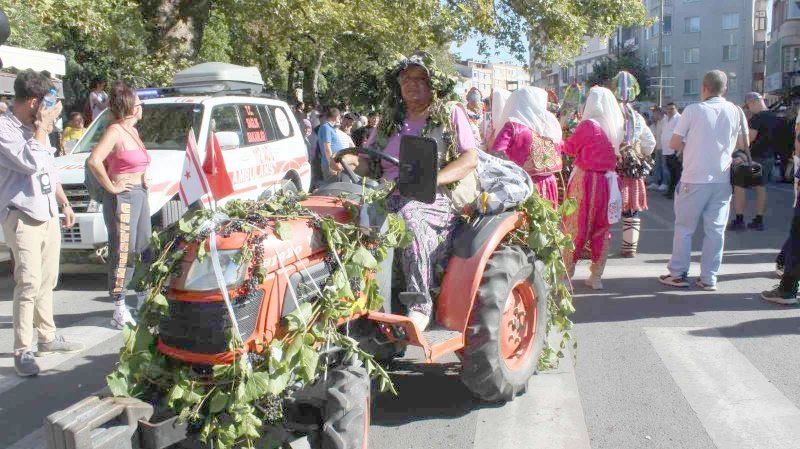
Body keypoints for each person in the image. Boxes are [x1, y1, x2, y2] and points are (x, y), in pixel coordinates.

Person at [351, 52, 479, 330]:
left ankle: (420, 304)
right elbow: (367, 162)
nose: (412, 84)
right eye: (406, 78)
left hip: (434, 196)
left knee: (407, 218)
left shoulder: (448, 113)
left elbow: (470, 159)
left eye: (421, 78)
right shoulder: (390, 120)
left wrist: (434, 180)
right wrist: (350, 161)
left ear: (433, 84)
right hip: (387, 193)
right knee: (345, 214)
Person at [0, 70, 83, 377]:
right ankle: (22, 349)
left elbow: (47, 168)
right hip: (21, 214)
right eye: (45, 101)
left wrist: (63, 201)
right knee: (29, 282)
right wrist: (42, 128)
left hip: (46, 210)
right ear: (32, 101)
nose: (49, 108)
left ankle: (47, 336)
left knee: (48, 279)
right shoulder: (5, 129)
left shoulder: (38, 128)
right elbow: (30, 162)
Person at [658, 70, 745, 291]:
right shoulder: (735, 111)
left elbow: (675, 143)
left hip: (694, 177)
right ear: (724, 88)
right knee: (715, 230)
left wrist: (692, 148)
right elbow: (743, 144)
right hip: (722, 178)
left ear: (704, 88)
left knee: (684, 228)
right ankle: (709, 277)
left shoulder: (693, 110)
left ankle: (677, 273)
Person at [87, 82, 151, 329]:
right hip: (123, 197)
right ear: (132, 108)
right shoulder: (114, 131)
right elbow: (95, 161)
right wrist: (111, 187)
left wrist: (144, 177)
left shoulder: (132, 131)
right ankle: (119, 307)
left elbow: (136, 161)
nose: (141, 108)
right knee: (123, 251)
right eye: (139, 104)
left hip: (140, 194)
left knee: (143, 247)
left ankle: (143, 298)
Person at [560, 86, 624, 290]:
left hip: (585, 180)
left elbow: (570, 148)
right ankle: (596, 277)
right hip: (607, 182)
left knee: (575, 227)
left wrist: (556, 139)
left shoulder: (589, 125)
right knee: (602, 229)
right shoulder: (614, 126)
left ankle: (566, 276)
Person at [491, 86, 563, 207]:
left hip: (523, 185)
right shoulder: (551, 127)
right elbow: (562, 147)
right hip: (549, 182)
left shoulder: (513, 127)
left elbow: (496, 154)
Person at [612, 71, 657, 258]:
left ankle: (595, 250)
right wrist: (638, 154)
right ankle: (629, 248)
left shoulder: (610, 114)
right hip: (632, 169)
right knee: (631, 210)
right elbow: (650, 143)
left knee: (604, 209)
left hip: (611, 169)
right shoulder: (637, 117)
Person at [730, 92, 786, 231]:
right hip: (770, 157)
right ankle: (759, 219)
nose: (748, 109)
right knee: (761, 188)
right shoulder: (775, 116)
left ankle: (739, 219)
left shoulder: (757, 118)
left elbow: (749, 140)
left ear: (753, 102)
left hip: (755, 158)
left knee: (739, 186)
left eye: (748, 106)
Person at [661, 102, 682, 199]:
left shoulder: (679, 119)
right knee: (670, 171)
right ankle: (671, 190)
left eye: (672, 109)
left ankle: (675, 192)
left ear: (676, 109)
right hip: (666, 150)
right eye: (668, 109)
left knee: (676, 173)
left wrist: (678, 151)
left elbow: (681, 135)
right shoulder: (665, 119)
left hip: (675, 151)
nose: (669, 111)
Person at [317, 107, 343, 180]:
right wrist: (332, 163)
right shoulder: (326, 127)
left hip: (334, 163)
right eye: (339, 117)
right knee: (332, 187)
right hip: (330, 165)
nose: (339, 119)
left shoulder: (329, 128)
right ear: (336, 117)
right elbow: (327, 147)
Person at [647, 107, 668, 192]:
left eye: (655, 113)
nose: (654, 115)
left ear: (659, 113)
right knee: (657, 166)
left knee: (664, 166)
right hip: (658, 147)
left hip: (665, 148)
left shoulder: (666, 121)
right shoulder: (658, 122)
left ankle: (665, 183)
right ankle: (655, 183)